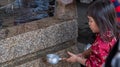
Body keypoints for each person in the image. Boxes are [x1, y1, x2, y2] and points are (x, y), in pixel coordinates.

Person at [62, 0, 119, 67]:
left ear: (101, 21)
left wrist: (77, 59)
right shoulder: (108, 31)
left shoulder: (102, 44)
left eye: (91, 21)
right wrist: (83, 54)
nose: (89, 24)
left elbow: (94, 65)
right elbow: (94, 46)